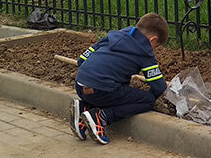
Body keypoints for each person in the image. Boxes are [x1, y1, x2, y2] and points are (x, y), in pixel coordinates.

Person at [70, 13, 169, 144]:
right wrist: (150, 96)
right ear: (153, 40)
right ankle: (101, 117)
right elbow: (159, 86)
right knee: (147, 100)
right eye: (156, 47)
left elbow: (81, 60)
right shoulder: (144, 51)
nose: (154, 50)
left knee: (113, 88)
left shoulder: (115, 35)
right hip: (101, 91)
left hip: (80, 85)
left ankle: (83, 107)